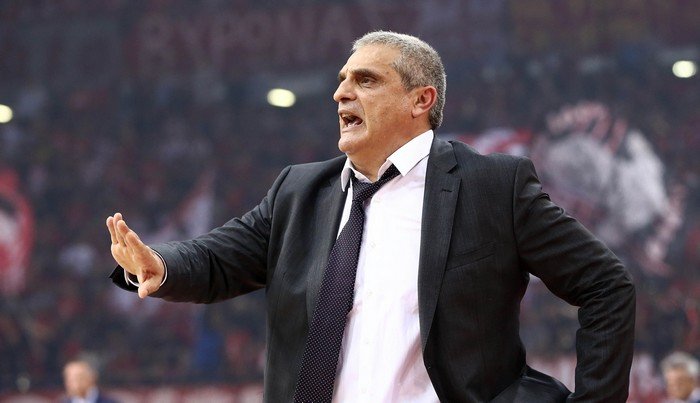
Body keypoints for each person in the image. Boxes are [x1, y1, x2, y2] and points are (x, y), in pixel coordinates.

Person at [106, 31, 636, 402]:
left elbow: (606, 285)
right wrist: (158, 265)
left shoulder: (492, 186)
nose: (340, 93)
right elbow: (218, 259)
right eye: (342, 80)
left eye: (365, 80)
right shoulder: (299, 191)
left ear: (420, 100)